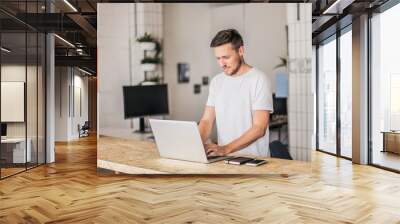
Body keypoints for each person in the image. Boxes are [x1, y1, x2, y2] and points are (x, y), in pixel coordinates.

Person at [198, 29, 273, 157]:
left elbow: (259, 128)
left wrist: (226, 149)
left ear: (241, 51)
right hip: (225, 160)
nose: (221, 63)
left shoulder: (259, 79)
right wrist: (195, 145)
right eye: (218, 58)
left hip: (254, 162)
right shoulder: (217, 82)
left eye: (226, 57)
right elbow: (206, 121)